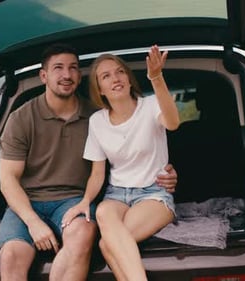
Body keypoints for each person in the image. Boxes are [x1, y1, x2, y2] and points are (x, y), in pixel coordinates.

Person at [0, 43, 178, 281]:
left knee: (94, 239)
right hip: (31, 201)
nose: (66, 74)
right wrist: (33, 222)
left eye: (73, 68)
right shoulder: (22, 118)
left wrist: (168, 171)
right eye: (58, 68)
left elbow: (164, 124)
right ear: (44, 75)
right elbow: (8, 179)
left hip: (79, 199)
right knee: (11, 255)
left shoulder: (97, 113)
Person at [62, 45, 179, 281]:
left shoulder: (151, 105)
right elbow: (97, 172)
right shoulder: (97, 121)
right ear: (100, 89)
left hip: (153, 193)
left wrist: (156, 77)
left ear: (128, 78)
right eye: (106, 76)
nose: (115, 78)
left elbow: (173, 122)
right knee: (103, 212)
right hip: (116, 195)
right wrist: (85, 201)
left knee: (108, 244)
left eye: (119, 72)